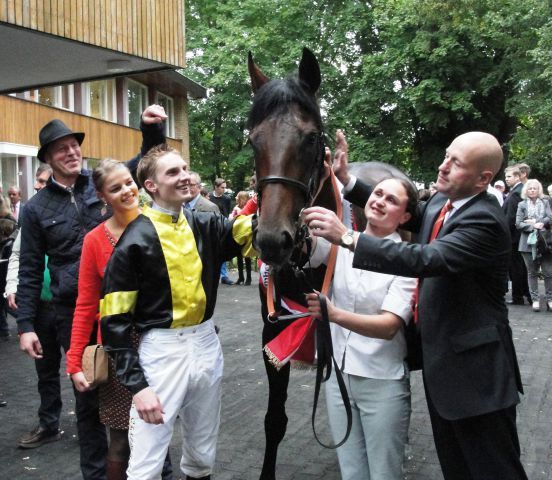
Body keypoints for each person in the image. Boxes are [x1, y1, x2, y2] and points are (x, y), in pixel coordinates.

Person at [304, 130, 527, 480]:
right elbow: (407, 212)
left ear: (484, 178)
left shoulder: (484, 219)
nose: (443, 166)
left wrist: (346, 236)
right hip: (445, 374)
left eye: (456, 163)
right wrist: (347, 181)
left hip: (477, 376)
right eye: (447, 156)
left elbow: (426, 258)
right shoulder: (442, 203)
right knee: (458, 468)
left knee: (492, 469)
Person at [16, 105, 167, 478]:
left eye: (73, 145)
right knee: (88, 397)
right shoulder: (35, 209)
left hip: (133, 309)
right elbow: (31, 268)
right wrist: (26, 325)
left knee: (147, 388)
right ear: (48, 159)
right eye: (60, 149)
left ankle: (159, 470)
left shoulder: (99, 184)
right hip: (76, 314)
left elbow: (141, 166)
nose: (71, 152)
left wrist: (150, 131)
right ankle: (96, 475)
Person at [100, 144, 255, 480]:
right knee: (146, 461)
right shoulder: (132, 241)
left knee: (202, 453)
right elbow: (113, 324)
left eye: (185, 169)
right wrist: (137, 387)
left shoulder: (207, 223)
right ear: (151, 186)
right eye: (173, 172)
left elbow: (253, 232)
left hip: (205, 344)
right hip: (161, 352)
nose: (185, 176)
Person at [305, 177, 417, 480]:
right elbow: (304, 248)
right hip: (338, 377)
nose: (380, 201)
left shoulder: (406, 259)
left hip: (381, 381)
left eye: (391, 200)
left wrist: (334, 315)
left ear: (405, 217)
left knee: (384, 473)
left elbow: (389, 326)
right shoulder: (339, 242)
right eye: (378, 193)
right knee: (351, 471)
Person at [515, 179, 552, 312]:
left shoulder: (546, 202)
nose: (532, 190)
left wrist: (536, 222)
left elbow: (550, 217)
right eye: (529, 188)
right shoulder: (522, 204)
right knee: (532, 272)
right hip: (527, 244)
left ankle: (550, 299)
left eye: (534, 188)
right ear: (526, 190)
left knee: (548, 272)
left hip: (545, 242)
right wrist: (532, 226)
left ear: (539, 190)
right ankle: (535, 300)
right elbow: (518, 223)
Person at [504, 165, 531, 305]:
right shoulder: (519, 190)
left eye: (509, 176)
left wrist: (504, 234)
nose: (506, 179)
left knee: (516, 267)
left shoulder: (516, 192)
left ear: (517, 176)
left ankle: (517, 296)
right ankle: (525, 293)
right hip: (518, 235)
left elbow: (511, 217)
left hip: (514, 236)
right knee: (520, 266)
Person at [209, 177, 234, 285]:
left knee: (222, 249)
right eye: (222, 187)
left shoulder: (226, 199)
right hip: (210, 226)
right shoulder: (208, 197)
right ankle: (211, 274)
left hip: (222, 226)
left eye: (225, 187)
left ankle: (224, 276)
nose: (224, 189)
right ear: (216, 187)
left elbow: (227, 213)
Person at [231, 191, 252, 285]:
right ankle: (241, 277)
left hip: (247, 235)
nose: (236, 199)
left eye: (238, 197)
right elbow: (232, 219)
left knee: (247, 256)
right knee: (239, 256)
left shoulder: (249, 208)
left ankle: (249, 278)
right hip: (238, 235)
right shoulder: (236, 208)